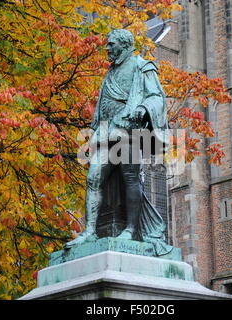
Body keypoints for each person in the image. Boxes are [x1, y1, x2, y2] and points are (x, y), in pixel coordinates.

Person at [65, 29, 171, 255]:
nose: (107, 48)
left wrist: (143, 108)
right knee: (93, 177)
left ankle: (131, 229)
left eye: (111, 44)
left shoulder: (143, 67)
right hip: (106, 131)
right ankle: (90, 231)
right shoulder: (110, 73)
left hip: (129, 130)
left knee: (131, 178)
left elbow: (156, 97)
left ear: (124, 45)